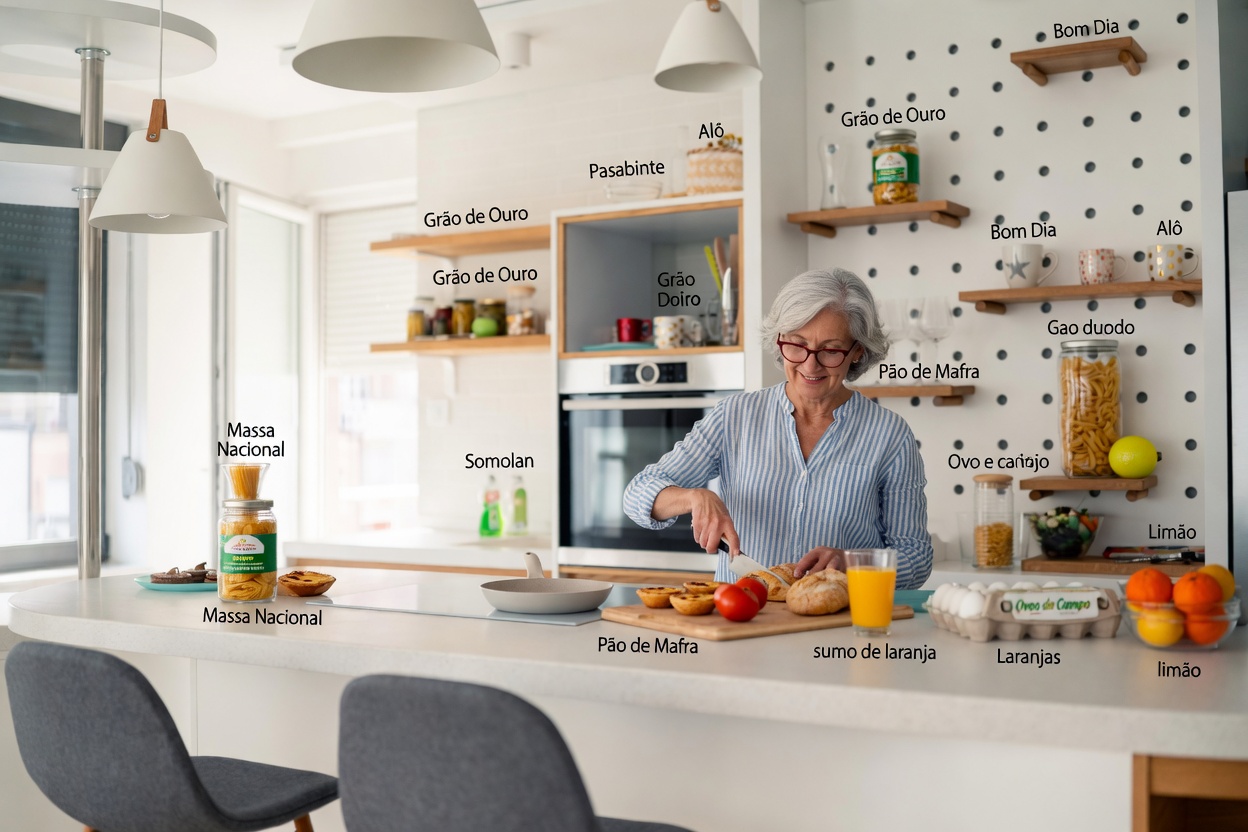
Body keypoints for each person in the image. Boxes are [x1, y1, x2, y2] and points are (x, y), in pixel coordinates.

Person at [622, 268, 933, 588]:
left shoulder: (890, 435)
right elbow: (637, 495)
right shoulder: (735, 416)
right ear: (779, 340)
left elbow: (916, 557)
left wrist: (851, 563)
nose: (810, 365)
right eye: (796, 345)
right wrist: (694, 497)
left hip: (836, 629)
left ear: (857, 352)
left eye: (830, 350)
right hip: (742, 622)